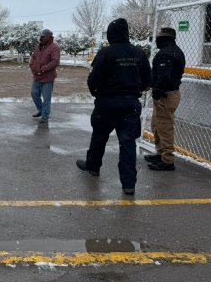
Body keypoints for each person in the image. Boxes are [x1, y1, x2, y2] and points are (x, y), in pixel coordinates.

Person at [76, 18, 152, 195]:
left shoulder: (105, 53)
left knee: (99, 136)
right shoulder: (139, 53)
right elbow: (148, 81)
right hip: (130, 104)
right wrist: (133, 91)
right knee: (127, 143)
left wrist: (98, 94)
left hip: (107, 103)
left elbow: (93, 80)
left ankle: (93, 166)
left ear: (111, 34)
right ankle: (129, 184)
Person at [146, 27, 186, 171]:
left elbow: (164, 78)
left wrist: (156, 95)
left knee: (164, 128)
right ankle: (161, 154)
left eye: (159, 38)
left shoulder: (166, 54)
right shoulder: (175, 51)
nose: (157, 40)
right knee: (157, 126)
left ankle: (168, 161)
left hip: (165, 96)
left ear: (165, 39)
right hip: (168, 94)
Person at [29, 29, 61, 123]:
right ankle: (41, 110)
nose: (41, 38)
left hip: (48, 77)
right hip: (36, 76)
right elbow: (33, 59)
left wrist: (43, 69)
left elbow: (55, 61)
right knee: (34, 93)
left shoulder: (54, 48)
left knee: (46, 98)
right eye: (41, 36)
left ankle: (45, 116)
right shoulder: (38, 47)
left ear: (49, 37)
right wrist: (33, 68)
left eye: (43, 36)